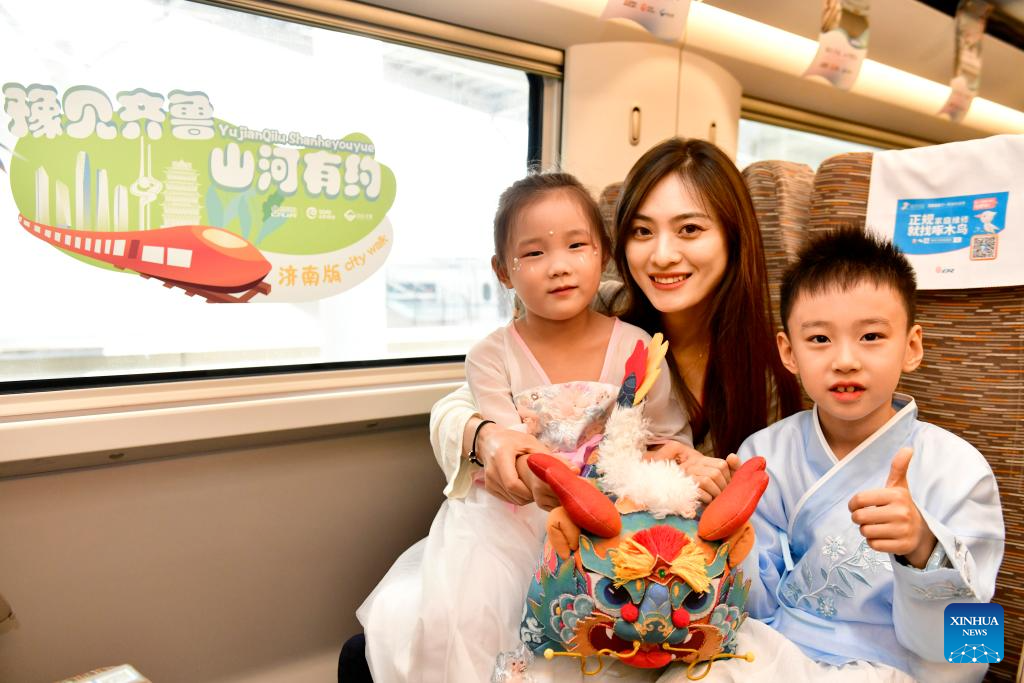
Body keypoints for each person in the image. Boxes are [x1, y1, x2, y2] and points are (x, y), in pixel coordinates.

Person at [343, 138, 804, 682]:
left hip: (657, 577)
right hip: (539, 529)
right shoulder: (594, 304)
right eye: (642, 231)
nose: (662, 255)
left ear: (732, 237)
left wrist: (696, 473)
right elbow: (465, 401)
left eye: (689, 229)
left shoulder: (779, 365)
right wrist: (486, 436)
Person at [357, 172, 692, 683]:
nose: (559, 266)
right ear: (503, 271)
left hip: (610, 513)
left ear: (602, 253)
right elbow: (514, 453)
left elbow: (664, 435)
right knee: (468, 623)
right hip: (512, 517)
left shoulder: (639, 348)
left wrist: (660, 464)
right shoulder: (491, 356)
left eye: (576, 246)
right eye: (534, 253)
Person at [696, 228, 1004, 683]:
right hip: (777, 650)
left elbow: (974, 646)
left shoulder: (960, 469)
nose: (844, 360)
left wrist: (923, 547)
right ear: (788, 352)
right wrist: (725, 529)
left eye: (871, 336)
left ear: (912, 346)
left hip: (899, 668)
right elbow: (750, 610)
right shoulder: (763, 454)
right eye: (820, 339)